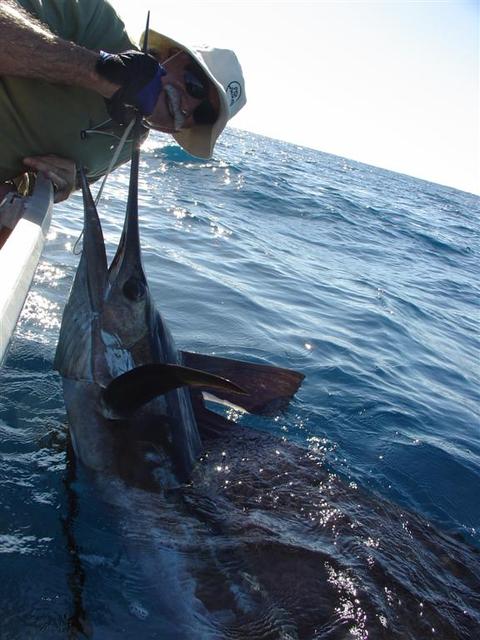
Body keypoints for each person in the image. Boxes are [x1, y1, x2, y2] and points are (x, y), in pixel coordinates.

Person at [0, 0, 246, 204]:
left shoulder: (130, 144)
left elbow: (28, 185)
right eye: (195, 84)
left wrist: (60, 183)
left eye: (203, 114)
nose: (188, 106)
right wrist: (95, 70)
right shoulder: (94, 20)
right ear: (173, 55)